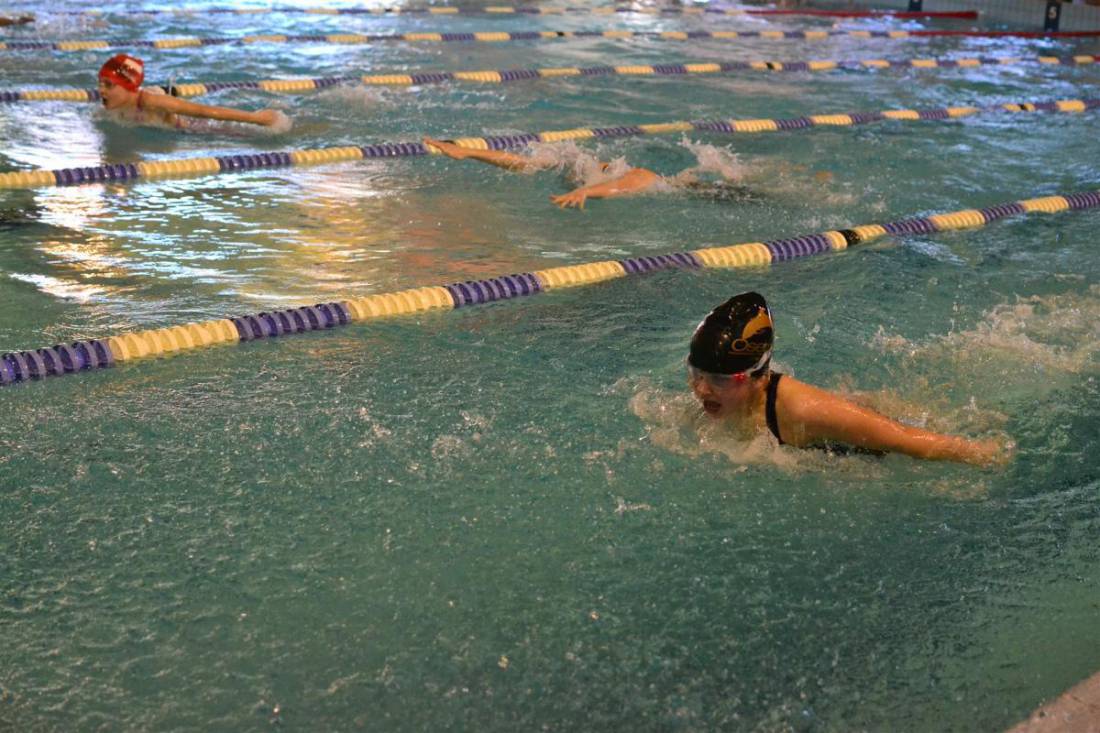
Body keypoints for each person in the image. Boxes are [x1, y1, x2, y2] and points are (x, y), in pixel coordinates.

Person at [686, 292, 1011, 466]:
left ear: (758, 378)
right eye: (696, 374)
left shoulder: (801, 411)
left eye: (719, 380)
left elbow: (904, 438)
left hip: (871, 445)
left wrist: (981, 453)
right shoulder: (721, 400)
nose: (701, 389)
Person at [424, 136, 734, 210]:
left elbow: (621, 188)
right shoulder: (580, 166)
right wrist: (468, 152)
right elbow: (523, 163)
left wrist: (585, 191)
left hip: (699, 193)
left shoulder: (643, 176)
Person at [97, 54, 288, 131]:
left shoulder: (152, 102)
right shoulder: (111, 105)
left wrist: (256, 118)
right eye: (100, 84)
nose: (101, 90)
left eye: (108, 85)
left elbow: (204, 111)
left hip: (192, 129)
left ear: (129, 87)